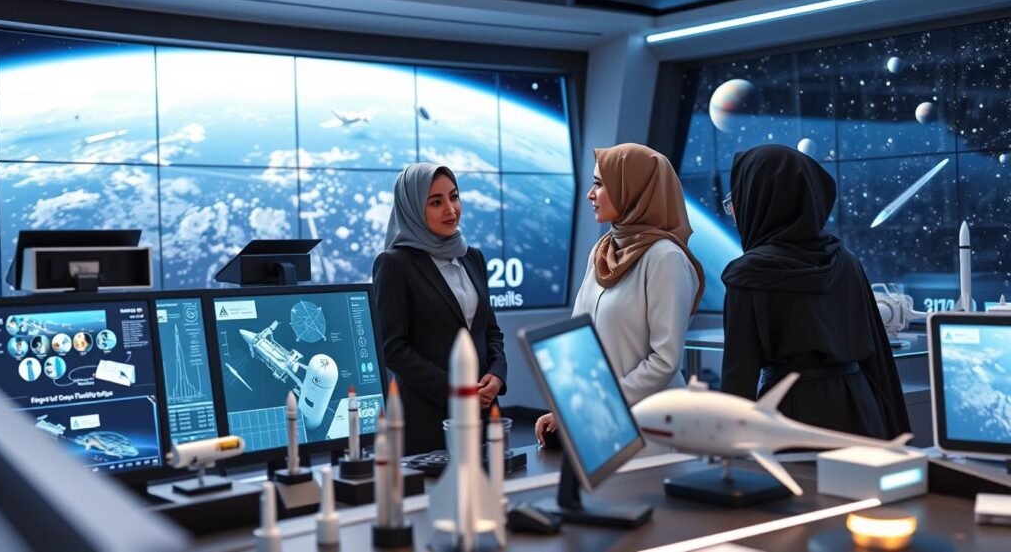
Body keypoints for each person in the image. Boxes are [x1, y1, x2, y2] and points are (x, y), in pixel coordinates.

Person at [720, 144, 910, 439]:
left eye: (738, 198)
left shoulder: (748, 274)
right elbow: (878, 358)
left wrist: (724, 446)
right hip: (861, 410)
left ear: (760, 198)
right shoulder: (846, 261)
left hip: (790, 418)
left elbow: (738, 379)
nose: (735, 210)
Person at [535, 143, 705, 446]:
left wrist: (600, 402)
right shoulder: (602, 251)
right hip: (602, 422)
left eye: (600, 184)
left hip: (651, 428)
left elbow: (665, 360)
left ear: (632, 190)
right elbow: (579, 340)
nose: (590, 194)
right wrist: (568, 409)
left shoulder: (665, 258)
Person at [373, 163, 507, 455]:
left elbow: (490, 330)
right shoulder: (394, 264)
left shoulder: (472, 257)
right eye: (436, 202)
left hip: (483, 413)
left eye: (454, 197)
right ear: (412, 208)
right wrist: (455, 391)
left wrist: (498, 373)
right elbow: (393, 349)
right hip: (428, 417)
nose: (450, 209)